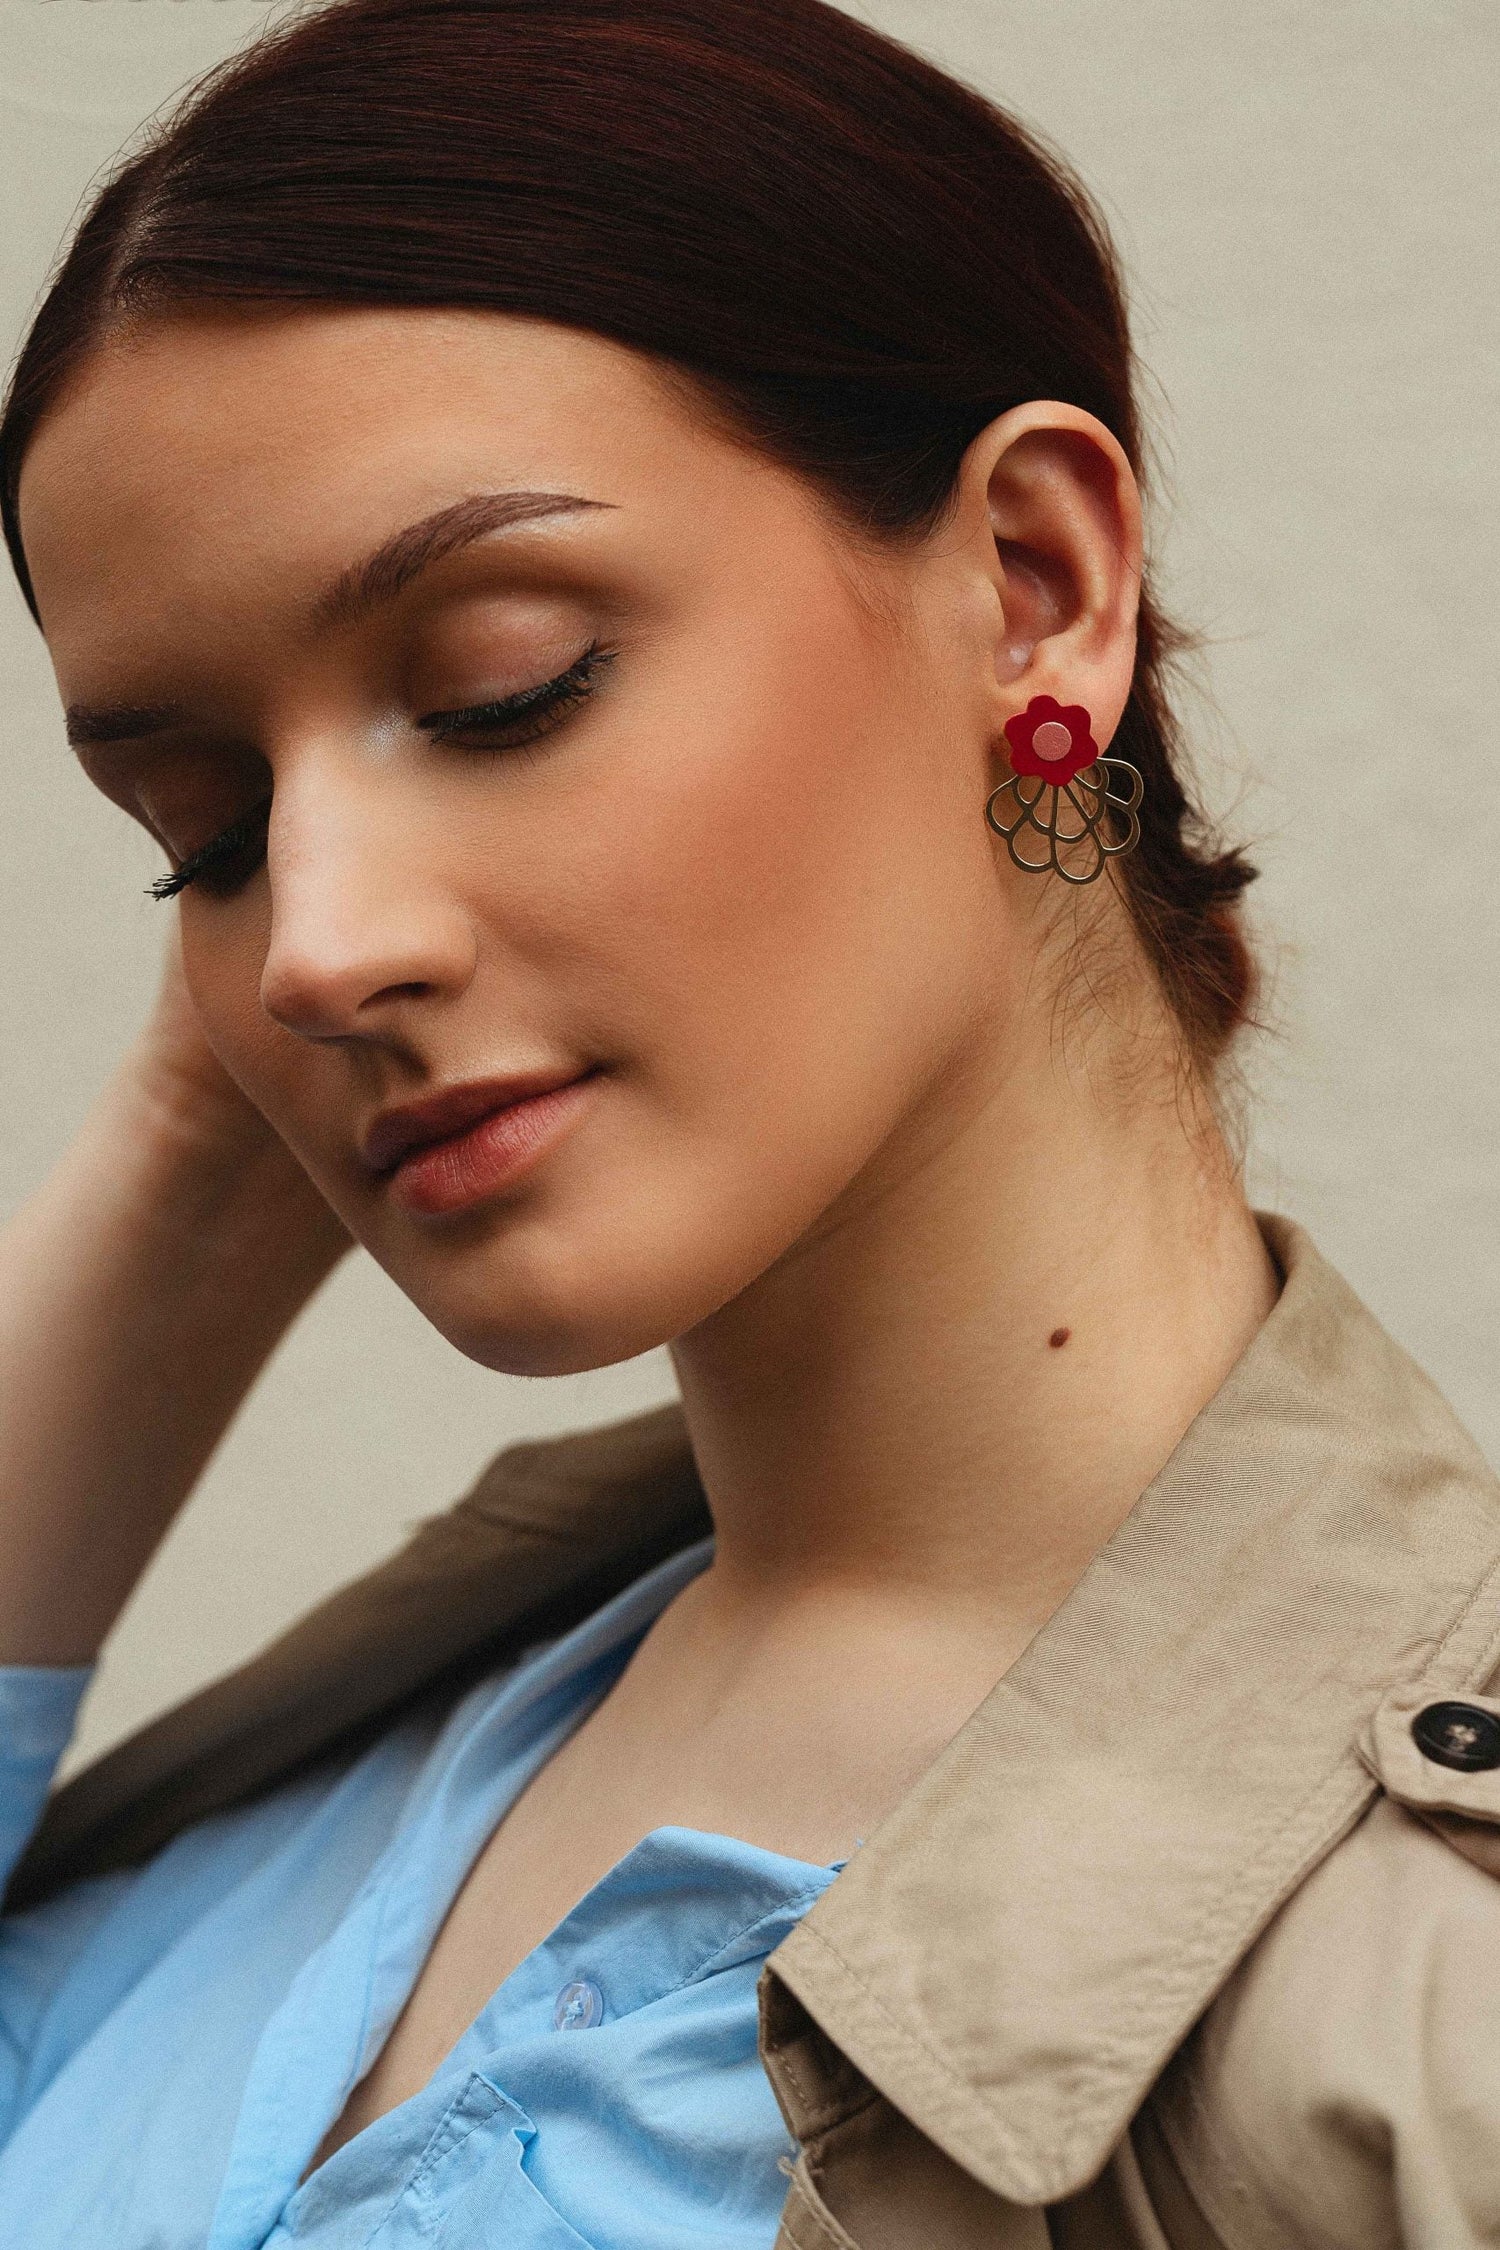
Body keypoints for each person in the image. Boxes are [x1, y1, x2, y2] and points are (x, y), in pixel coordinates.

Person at [1, 0, 1497, 2243]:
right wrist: (180, 1157)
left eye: (506, 684)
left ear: (1033, 583)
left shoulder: (1423, 2031)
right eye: (195, 828)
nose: (306, 949)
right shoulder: (356, 1767)